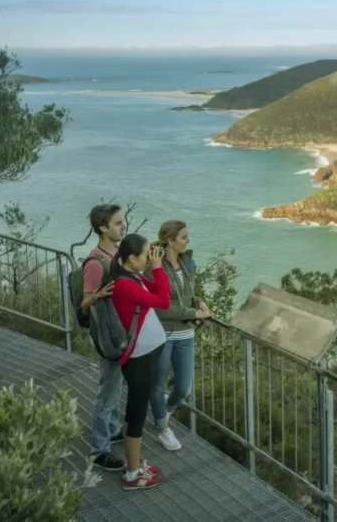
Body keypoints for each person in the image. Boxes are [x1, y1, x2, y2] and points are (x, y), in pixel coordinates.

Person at [111, 234, 170, 490]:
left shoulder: (133, 277)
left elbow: (159, 291)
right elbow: (165, 302)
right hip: (138, 358)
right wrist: (157, 268)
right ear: (132, 258)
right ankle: (133, 475)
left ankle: (134, 461)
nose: (150, 258)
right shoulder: (125, 284)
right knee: (136, 415)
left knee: (135, 411)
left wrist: (155, 271)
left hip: (145, 355)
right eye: (146, 254)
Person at [151, 220, 212, 451]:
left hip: (185, 333)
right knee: (157, 385)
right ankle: (163, 428)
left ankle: (162, 411)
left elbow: (189, 294)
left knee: (184, 388)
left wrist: (200, 302)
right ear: (171, 241)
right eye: (184, 237)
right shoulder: (154, 267)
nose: (188, 241)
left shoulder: (188, 263)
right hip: (162, 333)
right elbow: (160, 307)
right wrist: (193, 313)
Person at [82, 204, 125, 472]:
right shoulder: (96, 262)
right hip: (106, 334)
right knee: (107, 390)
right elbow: (84, 303)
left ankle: (111, 427)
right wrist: (96, 296)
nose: (123, 226)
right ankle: (100, 450)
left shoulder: (117, 255)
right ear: (103, 228)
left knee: (116, 385)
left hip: (118, 330)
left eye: (123, 222)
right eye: (118, 223)